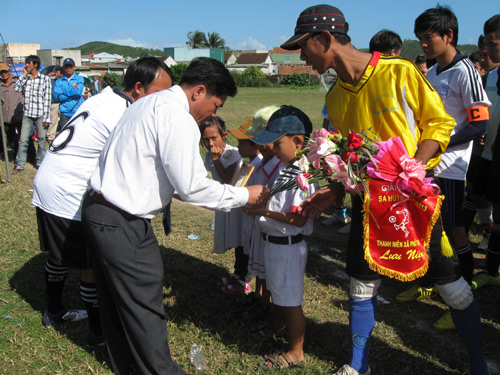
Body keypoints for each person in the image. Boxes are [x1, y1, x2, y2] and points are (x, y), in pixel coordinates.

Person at [282, 4, 488, 375]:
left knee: (450, 286)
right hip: (367, 204)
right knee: (361, 285)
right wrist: (333, 192)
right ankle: (358, 365)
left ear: (325, 39)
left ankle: (478, 365)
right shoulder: (336, 97)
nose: (301, 56)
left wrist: (412, 168)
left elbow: (438, 124)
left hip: (413, 203)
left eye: (303, 46)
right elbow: (343, 156)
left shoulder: (399, 72)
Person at [81, 57, 268, 375]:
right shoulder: (177, 116)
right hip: (122, 220)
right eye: (216, 104)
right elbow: (193, 188)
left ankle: (126, 365)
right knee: (143, 301)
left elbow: (173, 179)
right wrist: (243, 195)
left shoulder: (149, 103)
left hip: (99, 211)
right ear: (199, 91)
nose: (214, 114)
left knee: (116, 300)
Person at [32, 57, 173, 347]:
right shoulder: (125, 113)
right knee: (91, 265)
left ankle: (54, 309)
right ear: (138, 88)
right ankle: (98, 334)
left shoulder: (102, 98)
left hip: (49, 181)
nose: (163, 102)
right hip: (70, 191)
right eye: (159, 94)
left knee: (58, 255)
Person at [412, 5, 490, 331]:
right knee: (429, 229)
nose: (424, 45)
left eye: (428, 38)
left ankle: (464, 296)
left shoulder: (466, 71)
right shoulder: (431, 73)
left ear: (449, 36)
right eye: (420, 39)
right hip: (430, 166)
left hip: (452, 168)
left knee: (456, 230)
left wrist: (440, 143)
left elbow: (478, 124)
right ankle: (435, 281)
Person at [243, 105, 315, 370]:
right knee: (278, 294)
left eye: (276, 143)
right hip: (274, 246)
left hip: (288, 248)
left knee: (291, 302)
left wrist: (261, 211)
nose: (271, 148)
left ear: (297, 142)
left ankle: (297, 352)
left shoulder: (301, 175)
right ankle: (276, 325)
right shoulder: (286, 168)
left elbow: (298, 219)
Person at [200, 116, 249, 295]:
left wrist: (216, 159)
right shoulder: (209, 155)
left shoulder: (232, 154)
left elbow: (227, 181)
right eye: (205, 139)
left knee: (242, 241)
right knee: (236, 241)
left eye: (214, 138)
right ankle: (238, 274)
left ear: (224, 136)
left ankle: (245, 279)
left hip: (236, 205)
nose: (210, 143)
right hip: (225, 204)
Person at [472, 14, 500, 290]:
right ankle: (492, 270)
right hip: (489, 153)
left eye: (493, 45)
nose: (487, 51)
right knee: (482, 197)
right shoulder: (491, 76)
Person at [13, 55, 52, 172]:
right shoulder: (27, 79)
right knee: (23, 140)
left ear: (35, 64)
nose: (27, 65)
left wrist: (46, 118)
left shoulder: (45, 79)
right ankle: (20, 164)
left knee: (41, 140)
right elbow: (17, 88)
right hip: (28, 114)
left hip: (40, 114)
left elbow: (47, 99)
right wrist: (23, 75)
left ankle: (40, 163)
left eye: (29, 63)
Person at [54, 58, 84, 130]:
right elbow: (58, 96)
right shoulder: (59, 81)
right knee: (64, 134)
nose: (68, 68)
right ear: (63, 68)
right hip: (64, 113)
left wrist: (65, 93)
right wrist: (71, 92)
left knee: (78, 133)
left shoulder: (79, 79)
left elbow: (78, 93)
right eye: (66, 67)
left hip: (77, 112)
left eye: (70, 66)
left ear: (74, 67)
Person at [0, 68, 24, 159]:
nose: (3, 74)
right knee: (11, 138)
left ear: (9, 72)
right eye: (1, 72)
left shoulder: (17, 82)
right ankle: (15, 156)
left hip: (19, 114)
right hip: (6, 116)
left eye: (5, 72)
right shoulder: (0, 85)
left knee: (24, 138)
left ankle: (29, 156)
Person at [46, 66, 64, 143]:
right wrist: (49, 75)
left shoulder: (63, 81)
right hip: (53, 102)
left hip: (62, 102)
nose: (56, 74)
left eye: (57, 72)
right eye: (55, 72)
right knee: (53, 120)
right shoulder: (51, 80)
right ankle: (50, 136)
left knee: (61, 119)